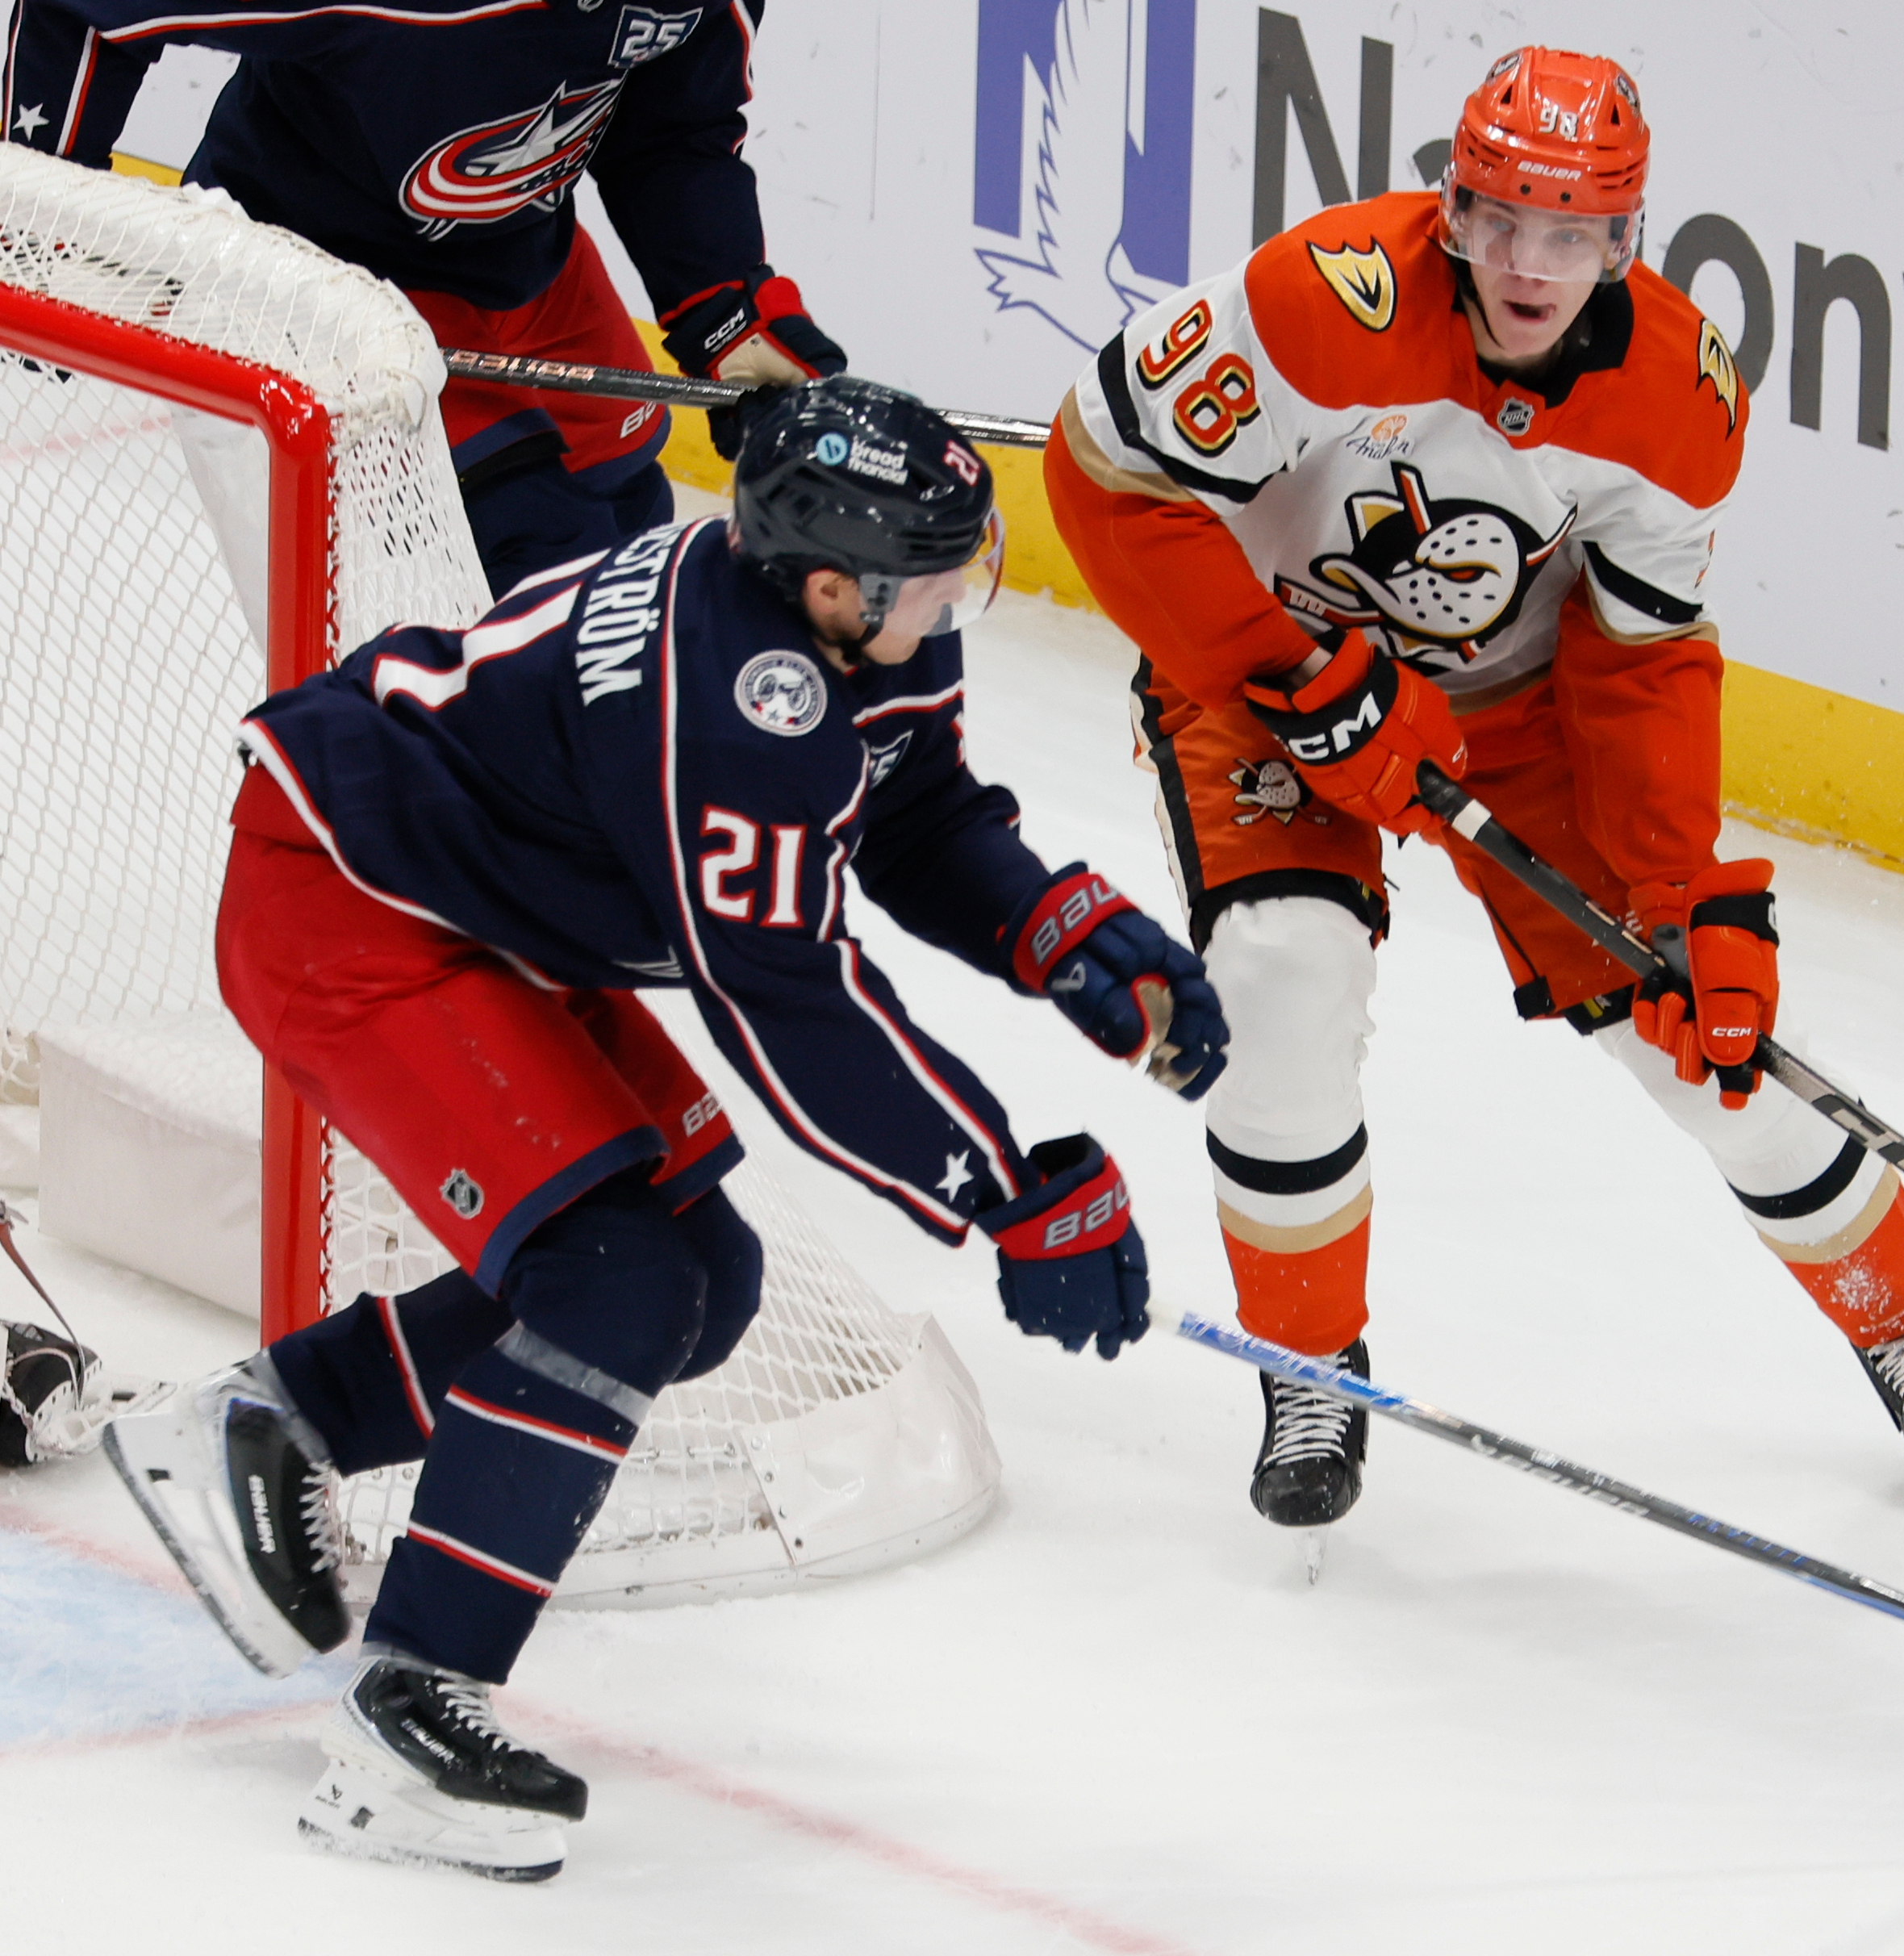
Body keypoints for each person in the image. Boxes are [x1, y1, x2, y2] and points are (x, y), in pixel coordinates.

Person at [101, 377, 1226, 1882]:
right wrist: (1008, 1188)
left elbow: (913, 813)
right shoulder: (745, 703)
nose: (964, 599)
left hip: (477, 909)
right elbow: (793, 1010)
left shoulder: (840, 631)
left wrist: (1059, 930)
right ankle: (409, 1707)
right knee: (618, 1279)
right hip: (350, 906)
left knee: (706, 1272)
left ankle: (273, 1419)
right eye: (942, 575)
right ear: (833, 584)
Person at [1043, 47, 1904, 1530]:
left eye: (1570, 232)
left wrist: (1682, 896)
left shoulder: (1682, 400)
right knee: (1282, 976)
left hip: (1515, 702)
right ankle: (1309, 1362)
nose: (1528, 262)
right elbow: (1102, 475)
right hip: (1267, 664)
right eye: (1500, 219)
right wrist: (1297, 670)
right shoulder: (1321, 297)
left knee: (1711, 1039)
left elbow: (1642, 658)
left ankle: (1899, 1315)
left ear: (1627, 242)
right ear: (1452, 206)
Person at [2, 0, 844, 591]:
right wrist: (42, 211)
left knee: (632, 530)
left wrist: (723, 308)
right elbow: (85, 4)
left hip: (525, 269)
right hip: (307, 286)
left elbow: (670, 134)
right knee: (549, 567)